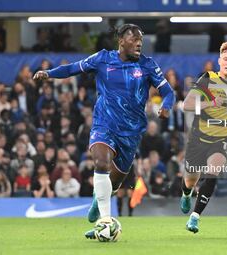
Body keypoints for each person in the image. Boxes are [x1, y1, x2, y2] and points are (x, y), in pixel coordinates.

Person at [33, 24, 175, 238]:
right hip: (104, 123)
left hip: (131, 132)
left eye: (140, 40)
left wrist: (166, 106)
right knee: (101, 163)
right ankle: (106, 221)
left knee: (115, 182)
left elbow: (168, 91)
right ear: (121, 41)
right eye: (133, 38)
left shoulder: (147, 65)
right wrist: (49, 73)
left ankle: (97, 203)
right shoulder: (102, 59)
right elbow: (73, 68)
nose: (138, 43)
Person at [181, 41, 227, 233]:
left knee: (213, 172)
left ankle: (195, 217)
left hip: (224, 138)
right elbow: (186, 105)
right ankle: (187, 193)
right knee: (190, 180)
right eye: (226, 59)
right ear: (219, 60)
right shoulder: (207, 78)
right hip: (199, 137)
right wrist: (211, 103)